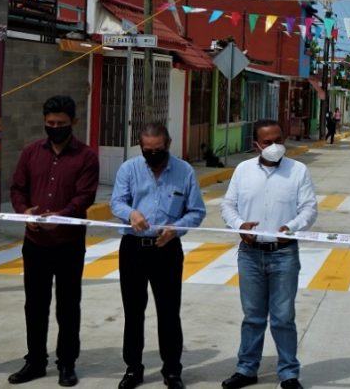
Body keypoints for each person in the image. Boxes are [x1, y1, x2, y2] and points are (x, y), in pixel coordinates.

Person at [7, 96, 99, 387]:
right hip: (35, 242)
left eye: (61, 124)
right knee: (35, 304)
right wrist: (25, 212)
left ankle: (66, 363)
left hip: (69, 242)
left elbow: (84, 197)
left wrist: (63, 215)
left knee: (68, 305)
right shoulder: (31, 152)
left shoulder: (86, 157)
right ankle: (35, 361)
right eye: (50, 124)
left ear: (74, 122)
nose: (55, 128)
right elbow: (17, 188)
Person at [220, 120, 318, 389]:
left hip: (284, 254)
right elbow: (228, 206)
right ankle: (246, 369)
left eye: (278, 140)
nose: (275, 146)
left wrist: (291, 227)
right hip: (250, 254)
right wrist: (239, 226)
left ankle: (288, 373)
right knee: (252, 316)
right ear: (256, 145)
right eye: (267, 142)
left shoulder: (298, 171)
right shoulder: (242, 170)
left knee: (283, 317)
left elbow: (309, 209)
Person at [110, 123, 206, 389]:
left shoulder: (184, 171)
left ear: (169, 144)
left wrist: (176, 229)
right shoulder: (129, 169)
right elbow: (116, 201)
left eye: (158, 150)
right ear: (141, 147)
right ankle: (133, 368)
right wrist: (131, 213)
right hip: (133, 248)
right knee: (133, 311)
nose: (153, 155)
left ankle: (172, 370)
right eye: (147, 150)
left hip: (167, 249)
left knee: (168, 312)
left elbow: (196, 211)